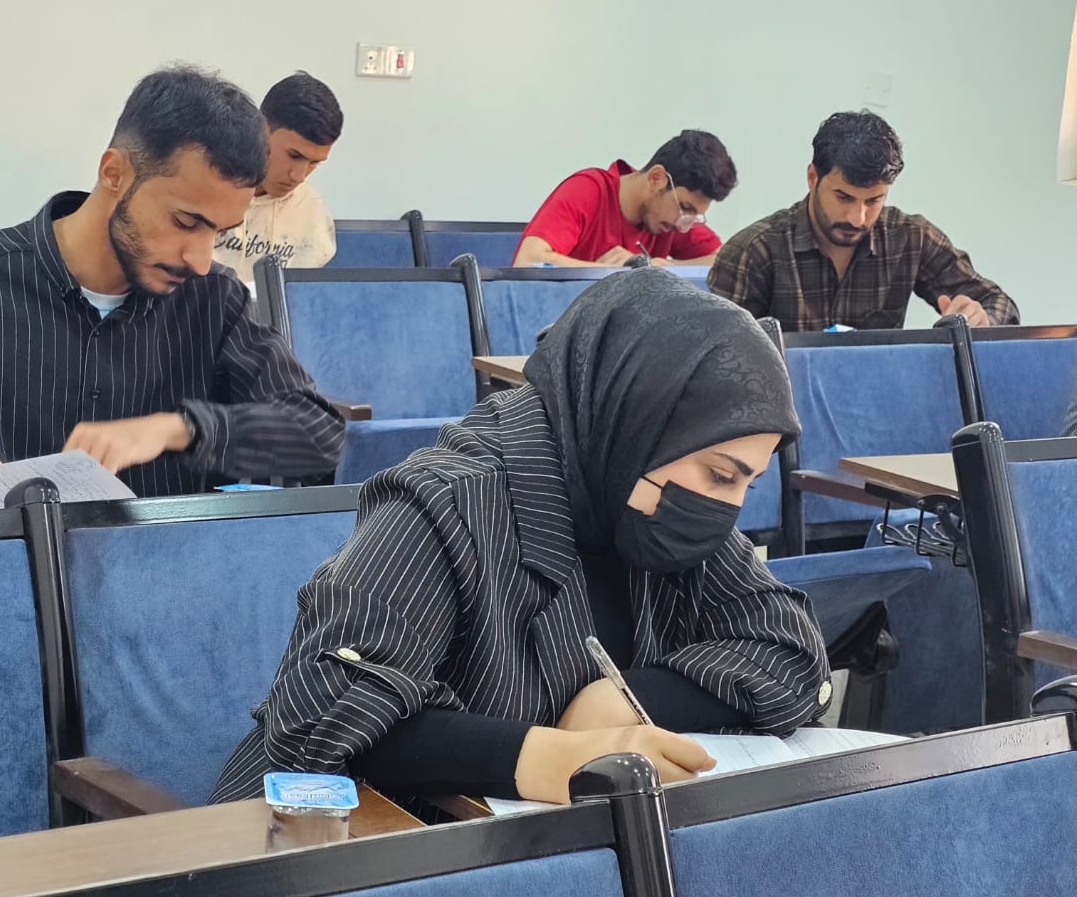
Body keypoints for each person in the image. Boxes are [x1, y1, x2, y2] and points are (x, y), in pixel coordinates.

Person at [209, 268, 831, 805]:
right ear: (635, 419)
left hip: (542, 855)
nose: (728, 508)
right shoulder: (449, 499)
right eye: (720, 474)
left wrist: (621, 700)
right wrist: (551, 758)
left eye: (746, 483)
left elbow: (793, 650)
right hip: (339, 846)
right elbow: (324, 709)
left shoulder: (660, 500)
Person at [0, 66, 344, 507]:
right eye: (186, 222)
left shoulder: (213, 299)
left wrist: (178, 429)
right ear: (114, 174)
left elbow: (319, 436)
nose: (201, 259)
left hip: (160, 595)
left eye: (220, 232)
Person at [708, 110, 1020, 331]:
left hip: (882, 401)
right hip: (784, 404)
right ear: (813, 177)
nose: (857, 219)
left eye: (873, 201)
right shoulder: (753, 251)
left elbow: (1000, 304)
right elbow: (716, 359)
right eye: (843, 197)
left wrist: (981, 318)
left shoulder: (911, 238)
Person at [512, 131, 737, 269]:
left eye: (695, 216)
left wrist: (665, 267)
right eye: (685, 207)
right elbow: (528, 260)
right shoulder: (588, 190)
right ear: (656, 178)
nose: (684, 226)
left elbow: (727, 262)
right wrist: (618, 272)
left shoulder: (669, 221)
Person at [212, 72, 342, 284]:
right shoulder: (208, 187)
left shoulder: (310, 209)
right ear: (262, 130)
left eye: (314, 163)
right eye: (294, 155)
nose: (299, 176)